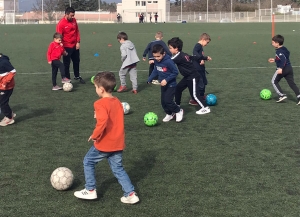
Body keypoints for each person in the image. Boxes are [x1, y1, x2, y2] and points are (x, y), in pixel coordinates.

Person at [74, 71, 140, 204]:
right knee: (118, 169)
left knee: (88, 161)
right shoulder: (116, 101)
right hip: (118, 143)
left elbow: (102, 122)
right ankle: (131, 194)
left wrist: (94, 135)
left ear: (101, 89)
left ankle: (90, 190)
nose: (96, 90)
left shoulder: (99, 104)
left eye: (96, 88)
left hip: (105, 143)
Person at [168, 37, 210, 115]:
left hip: (192, 76)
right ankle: (177, 106)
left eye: (170, 48)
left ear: (176, 48)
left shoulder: (178, 57)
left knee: (194, 94)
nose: (169, 50)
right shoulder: (183, 54)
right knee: (178, 88)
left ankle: (205, 108)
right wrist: (205, 57)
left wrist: (157, 60)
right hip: (187, 77)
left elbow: (169, 62)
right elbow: (193, 57)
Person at [147, 44, 183, 122]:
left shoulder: (168, 61)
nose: (156, 58)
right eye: (155, 56)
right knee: (163, 102)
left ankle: (178, 111)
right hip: (163, 85)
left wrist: (166, 80)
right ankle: (169, 114)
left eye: (158, 56)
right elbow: (156, 70)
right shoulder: (156, 61)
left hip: (171, 85)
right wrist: (150, 78)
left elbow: (175, 72)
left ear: (164, 54)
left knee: (168, 100)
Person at [56, 7, 85, 84]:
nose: (73, 17)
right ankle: (67, 78)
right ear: (66, 14)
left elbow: (77, 31)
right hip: (66, 46)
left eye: (73, 15)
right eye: (71, 15)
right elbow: (59, 37)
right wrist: (62, 49)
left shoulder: (74, 20)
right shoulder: (61, 24)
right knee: (66, 63)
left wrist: (78, 42)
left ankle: (77, 75)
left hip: (75, 45)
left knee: (76, 61)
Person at [268, 34, 300, 104]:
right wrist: (275, 60)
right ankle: (299, 97)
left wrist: (280, 68)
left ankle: (281, 95)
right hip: (289, 68)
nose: (272, 44)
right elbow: (286, 56)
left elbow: (283, 59)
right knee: (292, 84)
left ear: (277, 43)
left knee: (274, 81)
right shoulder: (284, 49)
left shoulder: (279, 51)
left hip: (283, 69)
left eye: (273, 43)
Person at [190, 33, 212, 105]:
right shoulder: (197, 46)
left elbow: (199, 56)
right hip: (197, 68)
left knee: (204, 82)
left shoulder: (200, 47)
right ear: (203, 39)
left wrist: (202, 59)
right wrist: (203, 58)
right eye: (207, 42)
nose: (207, 44)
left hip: (201, 68)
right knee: (200, 84)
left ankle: (201, 96)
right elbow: (195, 53)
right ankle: (194, 99)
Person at [0, 53, 16, 126]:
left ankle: (9, 117)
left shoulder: (3, 62)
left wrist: (5, 82)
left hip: (6, 87)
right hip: (1, 85)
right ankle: (10, 113)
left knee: (2, 102)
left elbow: (13, 71)